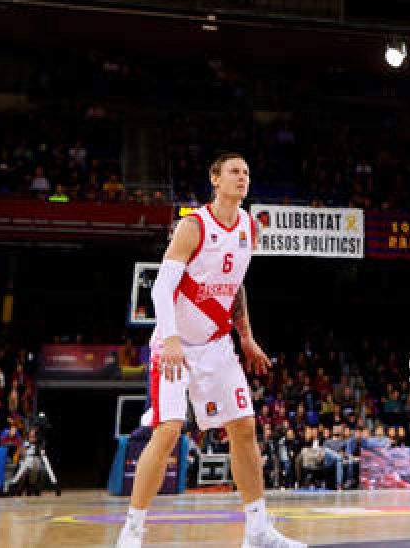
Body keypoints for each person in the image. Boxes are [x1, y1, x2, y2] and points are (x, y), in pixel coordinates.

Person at [116, 154, 300, 548]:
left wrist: (246, 337)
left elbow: (236, 288)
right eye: (234, 171)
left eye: (247, 172)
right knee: (167, 432)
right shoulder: (193, 226)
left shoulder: (251, 228)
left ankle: (257, 531)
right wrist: (169, 339)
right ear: (215, 179)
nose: (242, 177)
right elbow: (161, 288)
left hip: (217, 346)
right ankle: (131, 531)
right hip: (174, 345)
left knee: (245, 428)